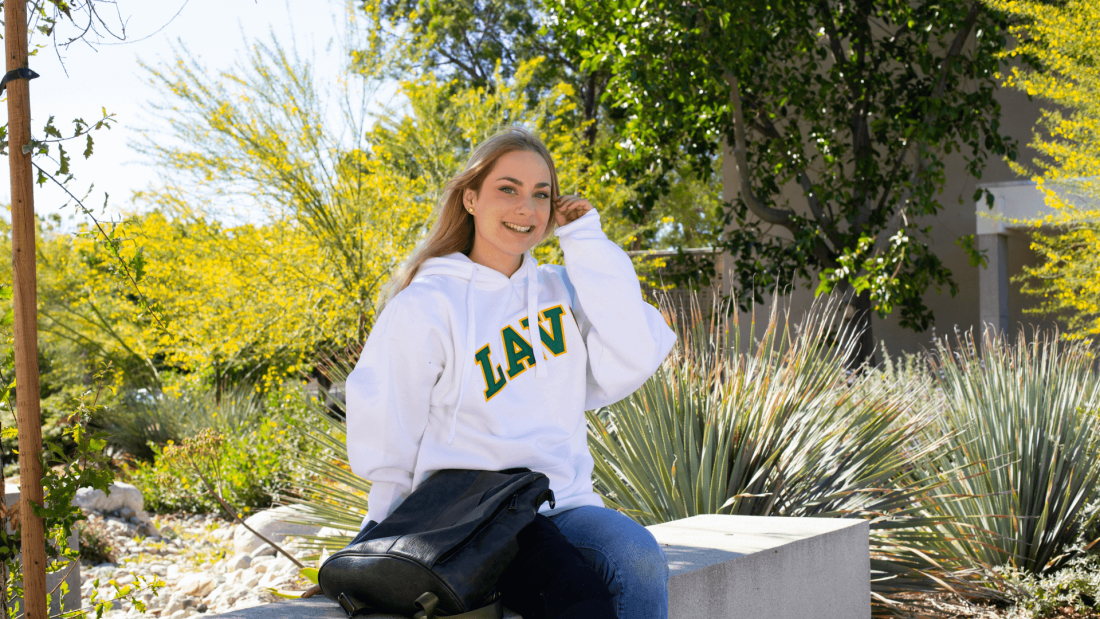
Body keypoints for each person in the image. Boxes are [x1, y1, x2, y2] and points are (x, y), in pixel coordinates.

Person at [345, 126, 677, 618]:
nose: (527, 209)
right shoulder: (427, 305)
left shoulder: (560, 288)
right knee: (571, 594)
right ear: (471, 198)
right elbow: (390, 428)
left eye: (540, 194)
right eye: (508, 189)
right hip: (468, 517)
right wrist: (376, 538)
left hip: (563, 502)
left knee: (637, 557)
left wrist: (584, 237)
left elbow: (632, 352)